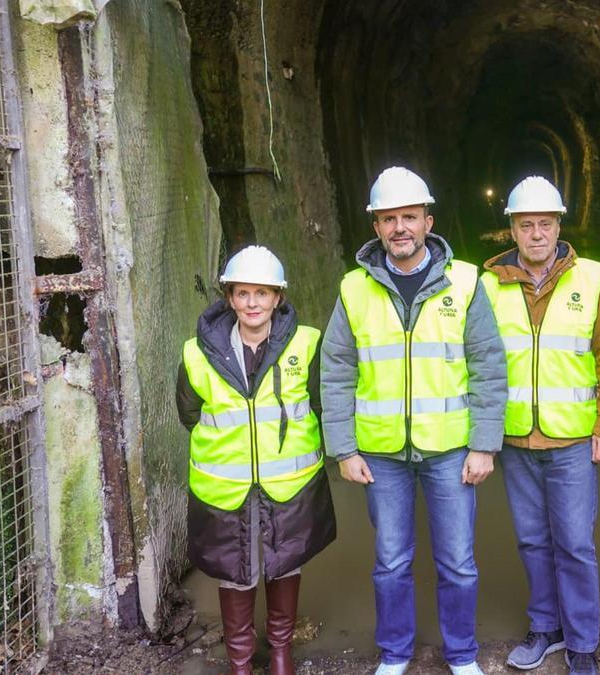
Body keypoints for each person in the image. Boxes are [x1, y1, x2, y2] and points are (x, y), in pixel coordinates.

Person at [320, 166, 507, 675]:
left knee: (458, 564)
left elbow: (489, 365)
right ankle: (396, 653)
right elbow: (336, 370)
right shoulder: (354, 290)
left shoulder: (466, 282)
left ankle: (463, 654)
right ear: (376, 226)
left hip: (450, 450)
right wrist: (345, 448)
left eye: (409, 217)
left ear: (428, 220)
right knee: (391, 563)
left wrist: (485, 444)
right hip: (382, 454)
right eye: (388, 219)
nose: (399, 227)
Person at [480, 176, 600, 675]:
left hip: (573, 440)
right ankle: (547, 628)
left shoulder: (590, 278)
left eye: (545, 223)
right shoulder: (487, 285)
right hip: (516, 438)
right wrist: (483, 435)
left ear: (559, 225)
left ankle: (583, 641)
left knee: (576, 542)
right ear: (512, 231)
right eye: (526, 224)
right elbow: (476, 363)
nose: (536, 233)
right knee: (532, 540)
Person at [176, 245, 336, 675]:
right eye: (243, 293)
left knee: (284, 563)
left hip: (290, 482)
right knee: (236, 571)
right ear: (229, 297)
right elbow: (189, 412)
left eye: (262, 294)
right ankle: (241, 662)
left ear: (278, 298)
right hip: (226, 487)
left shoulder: (308, 343)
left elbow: (321, 405)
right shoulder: (197, 352)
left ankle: (280, 652)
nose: (252, 303)